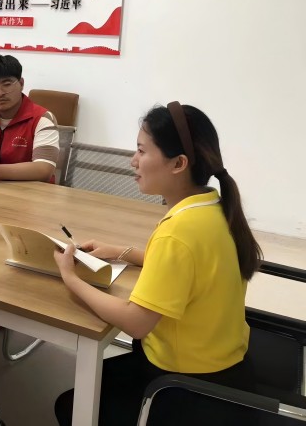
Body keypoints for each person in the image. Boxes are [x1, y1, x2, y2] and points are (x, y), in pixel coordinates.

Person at [53, 102, 263, 426]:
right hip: (225, 364)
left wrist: (71, 278)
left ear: (178, 163)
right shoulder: (212, 207)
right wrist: (121, 252)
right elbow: (189, 265)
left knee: (69, 406)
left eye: (141, 151)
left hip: (185, 385)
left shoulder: (177, 232)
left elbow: (136, 323)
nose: (133, 160)